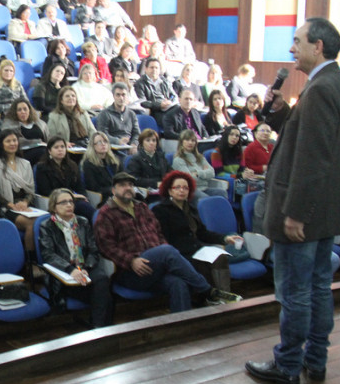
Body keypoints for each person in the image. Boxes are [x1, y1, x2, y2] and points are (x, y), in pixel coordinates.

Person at [245, 17, 340, 384]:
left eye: (297, 41)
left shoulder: (321, 87)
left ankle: (288, 364)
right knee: (319, 287)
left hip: (305, 214)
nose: (292, 48)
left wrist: (294, 213)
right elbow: (305, 134)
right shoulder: (331, 82)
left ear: (317, 46)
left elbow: (314, 158)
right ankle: (315, 359)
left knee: (295, 291)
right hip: (324, 211)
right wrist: (279, 112)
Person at [93, 171, 214, 313]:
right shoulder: (106, 213)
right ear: (113, 190)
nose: (127, 188)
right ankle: (207, 290)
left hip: (156, 266)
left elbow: (158, 233)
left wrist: (163, 256)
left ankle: (181, 324)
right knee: (167, 251)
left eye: (130, 185)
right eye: (122, 185)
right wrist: (132, 261)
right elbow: (106, 247)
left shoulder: (142, 207)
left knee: (178, 283)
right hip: (130, 272)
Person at [152, 171, 242, 297]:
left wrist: (225, 238)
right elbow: (163, 240)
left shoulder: (191, 209)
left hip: (197, 248)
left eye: (185, 188)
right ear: (169, 191)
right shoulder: (160, 210)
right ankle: (207, 299)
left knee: (220, 257)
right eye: (177, 187)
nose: (181, 190)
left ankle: (224, 294)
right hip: (178, 254)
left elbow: (203, 233)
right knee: (202, 263)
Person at [39, 188, 113, 327]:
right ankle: (101, 329)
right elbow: (49, 255)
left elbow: (93, 250)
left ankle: (98, 328)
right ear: (53, 207)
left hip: (85, 267)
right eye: (63, 202)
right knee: (103, 296)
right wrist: (71, 270)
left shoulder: (83, 222)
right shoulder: (47, 226)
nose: (69, 205)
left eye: (71, 202)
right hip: (63, 272)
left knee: (102, 280)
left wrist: (85, 268)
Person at [0, 129, 37, 251]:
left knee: (45, 220)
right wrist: (11, 205)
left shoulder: (25, 164)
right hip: (6, 207)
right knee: (31, 224)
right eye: (8, 141)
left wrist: (25, 202)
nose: (12, 143)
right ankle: (31, 262)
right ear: (1, 144)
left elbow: (30, 191)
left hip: (24, 206)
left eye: (14, 140)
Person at [36, 136, 95, 219]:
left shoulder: (72, 165)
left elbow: (80, 187)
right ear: (49, 151)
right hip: (56, 201)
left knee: (87, 207)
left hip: (73, 200)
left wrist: (84, 196)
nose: (60, 150)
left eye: (62, 147)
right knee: (85, 209)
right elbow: (45, 191)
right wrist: (70, 195)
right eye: (56, 147)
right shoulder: (42, 167)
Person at [171, 130, 227, 199]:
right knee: (206, 200)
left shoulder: (200, 157)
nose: (190, 143)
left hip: (204, 188)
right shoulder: (178, 160)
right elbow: (189, 179)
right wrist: (205, 174)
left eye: (193, 140)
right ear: (181, 142)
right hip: (191, 190)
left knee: (222, 193)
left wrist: (198, 173)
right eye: (187, 140)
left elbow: (212, 172)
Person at [94, 82, 140, 151]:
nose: (121, 98)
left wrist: (134, 144)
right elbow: (102, 134)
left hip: (130, 146)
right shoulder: (105, 114)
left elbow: (137, 133)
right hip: (112, 148)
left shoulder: (131, 114)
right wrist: (118, 141)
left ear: (127, 96)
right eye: (118, 95)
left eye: (123, 95)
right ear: (113, 96)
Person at [134, 57, 175, 127]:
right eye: (152, 67)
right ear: (146, 69)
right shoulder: (140, 83)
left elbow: (173, 95)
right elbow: (142, 102)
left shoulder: (165, 81)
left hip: (168, 107)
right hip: (154, 110)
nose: (154, 70)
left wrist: (169, 101)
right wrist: (159, 105)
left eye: (156, 68)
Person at [82, 131, 120, 203]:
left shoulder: (114, 160)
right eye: (99, 142)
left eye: (105, 141)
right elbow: (93, 188)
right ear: (93, 146)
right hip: (103, 197)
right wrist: (114, 190)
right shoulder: (88, 164)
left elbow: (122, 178)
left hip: (117, 193)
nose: (103, 144)